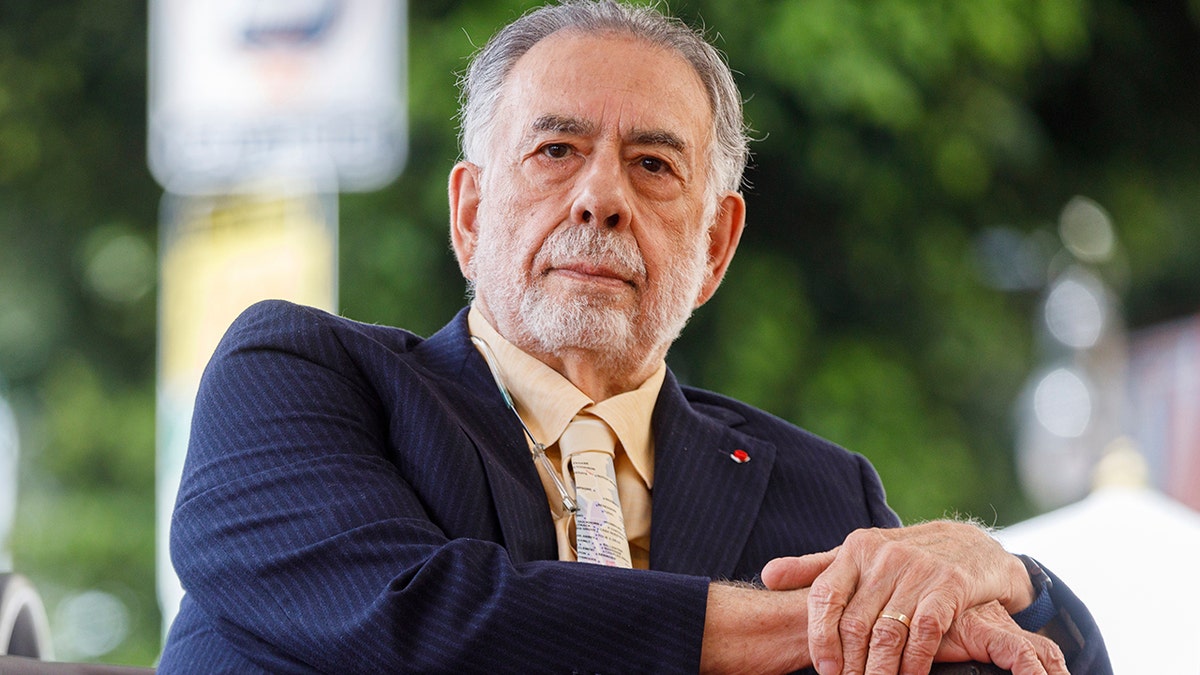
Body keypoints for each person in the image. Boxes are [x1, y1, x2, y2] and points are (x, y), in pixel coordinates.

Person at [158, 2, 1111, 673]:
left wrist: (1010, 577)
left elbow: (988, 657)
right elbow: (418, 618)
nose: (601, 198)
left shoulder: (823, 494)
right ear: (471, 212)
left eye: (654, 164)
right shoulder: (298, 377)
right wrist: (807, 624)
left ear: (716, 246)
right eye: (556, 150)